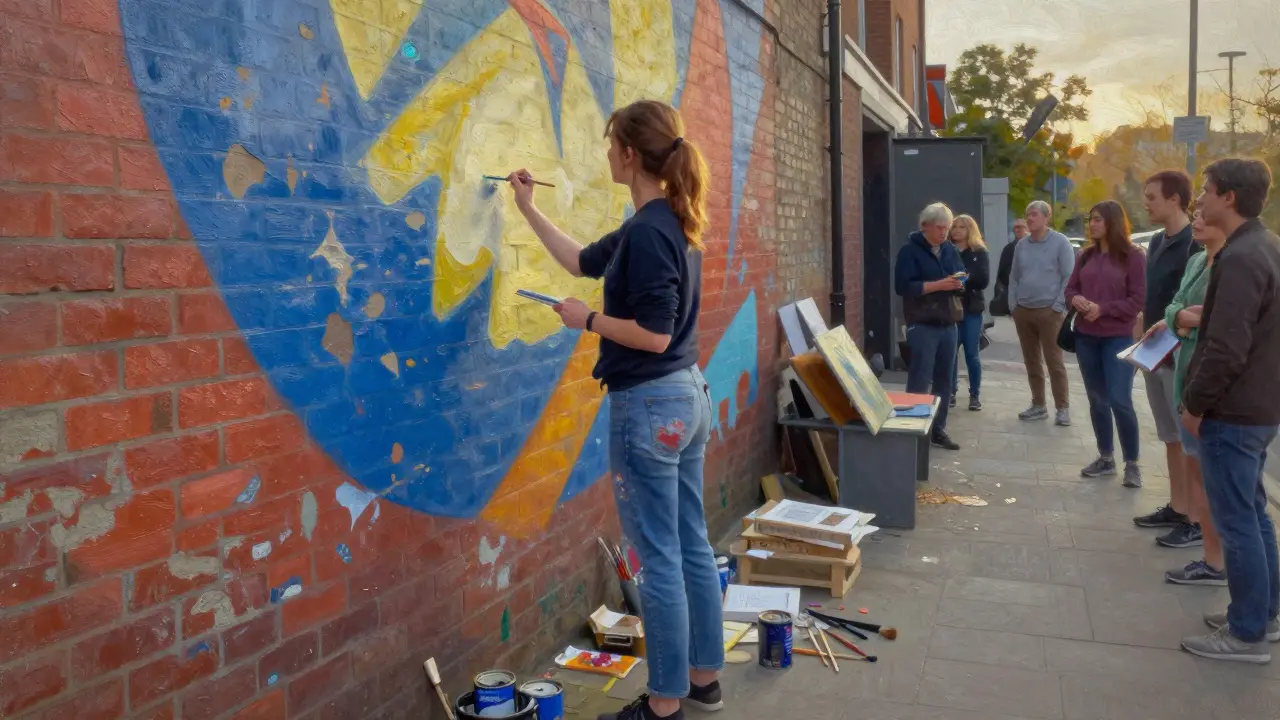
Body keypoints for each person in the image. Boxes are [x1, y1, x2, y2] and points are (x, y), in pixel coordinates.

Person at [508, 99, 724, 717]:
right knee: (690, 545)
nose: (606, 155)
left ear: (630, 155)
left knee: (659, 557)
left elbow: (653, 333)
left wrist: (589, 321)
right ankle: (702, 680)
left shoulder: (653, 233)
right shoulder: (663, 223)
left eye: (610, 146)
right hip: (685, 396)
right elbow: (581, 262)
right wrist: (528, 208)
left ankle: (663, 705)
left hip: (653, 402)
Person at [1179, 158, 1280, 664]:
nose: (1200, 200)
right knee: (1254, 516)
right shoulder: (1265, 244)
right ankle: (1263, 614)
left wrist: (1194, 404)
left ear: (1230, 199)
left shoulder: (1240, 257)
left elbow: (1226, 347)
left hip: (1234, 412)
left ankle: (1246, 635)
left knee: (1238, 521)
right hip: (1257, 408)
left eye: (1206, 191)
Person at [1147, 211, 1226, 586]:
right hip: (1186, 373)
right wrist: (1182, 316)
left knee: (1218, 481)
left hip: (1211, 382)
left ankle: (1216, 558)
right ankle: (1208, 550)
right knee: (1194, 463)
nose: (1197, 219)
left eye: (1203, 214)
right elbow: (1174, 306)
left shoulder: (1232, 265)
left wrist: (1192, 317)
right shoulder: (1197, 259)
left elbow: (1223, 317)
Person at [1132, 170, 1204, 546]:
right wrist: (1143, 318)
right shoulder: (1158, 241)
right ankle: (1178, 507)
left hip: (1179, 353)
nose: (1146, 203)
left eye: (1152, 196)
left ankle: (1195, 519)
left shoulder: (1196, 242)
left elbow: (1195, 303)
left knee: (1187, 440)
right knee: (1169, 437)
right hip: (1154, 350)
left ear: (1175, 199)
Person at [1064, 201, 1146, 487]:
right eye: (1091, 219)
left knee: (1119, 399)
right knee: (1097, 399)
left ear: (1112, 222)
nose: (1092, 224)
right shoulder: (1086, 255)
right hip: (1087, 337)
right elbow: (1070, 288)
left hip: (1118, 338)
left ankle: (1132, 463)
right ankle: (1106, 457)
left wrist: (1104, 309)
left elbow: (1137, 300)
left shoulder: (1133, 257)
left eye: (1098, 219)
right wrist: (1075, 299)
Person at [895, 202, 965, 451]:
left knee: (945, 380)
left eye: (947, 228)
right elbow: (904, 287)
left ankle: (938, 428)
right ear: (925, 226)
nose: (944, 233)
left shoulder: (948, 249)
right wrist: (939, 285)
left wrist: (959, 282)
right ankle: (912, 430)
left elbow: (960, 274)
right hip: (923, 323)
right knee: (920, 378)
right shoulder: (909, 251)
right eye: (939, 228)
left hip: (948, 322)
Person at [1008, 201, 1076, 426]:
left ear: (1046, 218)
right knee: (1031, 360)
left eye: (1034, 215)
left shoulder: (1060, 243)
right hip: (1024, 311)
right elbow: (1014, 276)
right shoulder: (1022, 245)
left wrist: (1058, 306)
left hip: (1049, 311)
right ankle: (1038, 404)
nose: (1029, 219)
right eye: (1027, 215)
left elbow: (1069, 277)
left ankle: (1062, 408)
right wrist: (1013, 304)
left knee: (1054, 362)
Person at [948, 214, 990, 411]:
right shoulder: (946, 251)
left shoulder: (979, 252)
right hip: (950, 307)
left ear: (970, 230)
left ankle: (975, 395)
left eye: (962, 227)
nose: (956, 230)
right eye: (954, 226)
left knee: (971, 353)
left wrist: (962, 279)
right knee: (951, 352)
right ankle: (950, 392)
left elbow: (982, 279)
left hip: (972, 309)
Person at [991, 217, 1029, 316]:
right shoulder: (1008, 248)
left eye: (1021, 227)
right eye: (1016, 227)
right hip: (1013, 291)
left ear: (1027, 229)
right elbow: (1002, 272)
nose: (1018, 229)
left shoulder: (1034, 247)